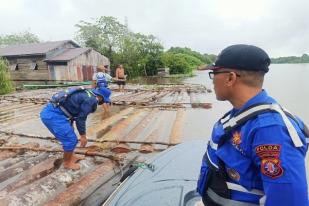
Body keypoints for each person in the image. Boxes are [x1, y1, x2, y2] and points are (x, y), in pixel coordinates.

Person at [197, 44, 309, 206]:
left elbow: (289, 201)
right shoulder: (239, 114)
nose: (212, 80)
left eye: (214, 73)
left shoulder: (270, 130)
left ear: (230, 78)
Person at [40, 87, 105, 170]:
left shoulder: (86, 92)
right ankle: (67, 163)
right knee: (70, 140)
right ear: (100, 97)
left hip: (57, 112)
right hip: (53, 115)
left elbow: (74, 111)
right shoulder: (91, 100)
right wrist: (83, 136)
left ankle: (72, 156)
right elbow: (81, 118)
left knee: (71, 135)